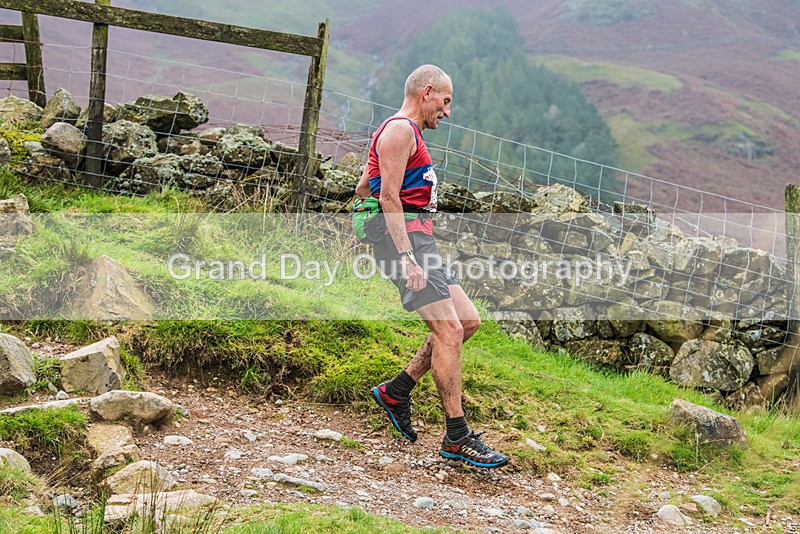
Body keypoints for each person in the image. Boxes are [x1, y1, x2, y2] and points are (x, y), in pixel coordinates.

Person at [355, 64, 509, 468]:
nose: (447, 111)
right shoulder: (401, 130)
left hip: (420, 240)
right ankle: (457, 436)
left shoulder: (406, 133)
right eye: (445, 101)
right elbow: (387, 198)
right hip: (405, 244)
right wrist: (406, 257)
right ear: (427, 92)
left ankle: (397, 390)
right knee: (449, 329)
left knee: (467, 320)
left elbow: (363, 186)